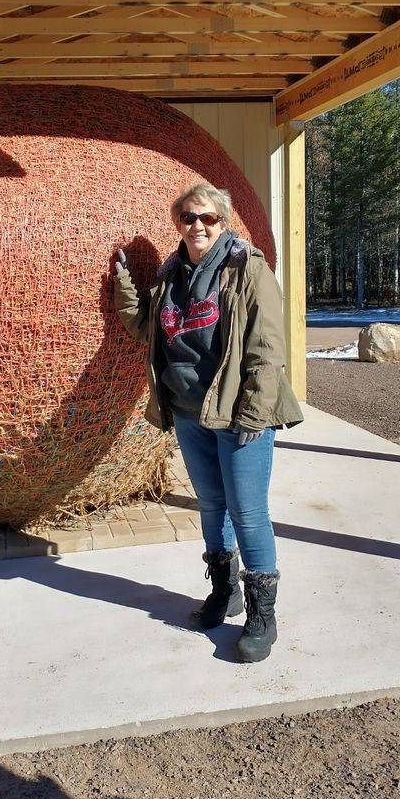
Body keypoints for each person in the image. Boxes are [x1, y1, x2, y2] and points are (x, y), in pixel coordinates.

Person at [113, 183, 303, 663]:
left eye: (208, 218)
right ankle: (225, 591)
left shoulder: (247, 268)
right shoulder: (171, 273)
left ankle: (263, 614)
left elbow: (266, 348)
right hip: (190, 413)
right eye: (188, 218)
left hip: (239, 413)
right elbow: (150, 329)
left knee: (248, 511)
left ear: (223, 221)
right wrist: (126, 292)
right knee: (212, 507)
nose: (198, 226)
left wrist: (255, 413)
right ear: (178, 224)